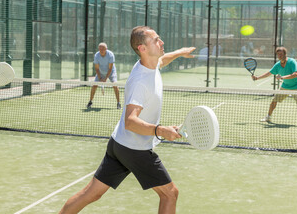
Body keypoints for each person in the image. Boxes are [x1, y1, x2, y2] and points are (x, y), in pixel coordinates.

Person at [60, 26, 196, 214]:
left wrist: (180, 52)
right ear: (142, 48)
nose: (161, 42)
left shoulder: (148, 63)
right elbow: (130, 121)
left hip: (119, 144)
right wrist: (161, 130)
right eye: (156, 40)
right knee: (170, 193)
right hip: (134, 149)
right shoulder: (140, 81)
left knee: (91, 194)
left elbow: (163, 60)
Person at [252, 46, 297, 126]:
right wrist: (257, 78)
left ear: (285, 54)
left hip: (296, 86)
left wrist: (282, 77)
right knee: (274, 101)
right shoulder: (277, 65)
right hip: (285, 86)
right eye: (278, 54)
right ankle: (268, 117)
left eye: (281, 54)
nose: (279, 56)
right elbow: (269, 73)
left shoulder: (292, 62)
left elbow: (295, 74)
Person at [87, 42, 121, 109]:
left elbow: (110, 68)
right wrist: (100, 77)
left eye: (103, 49)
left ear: (106, 49)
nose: (101, 50)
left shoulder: (110, 55)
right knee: (94, 85)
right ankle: (90, 101)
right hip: (100, 72)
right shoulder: (97, 55)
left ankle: (118, 103)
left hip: (111, 72)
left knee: (115, 85)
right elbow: (96, 68)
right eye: (100, 49)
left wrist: (105, 78)